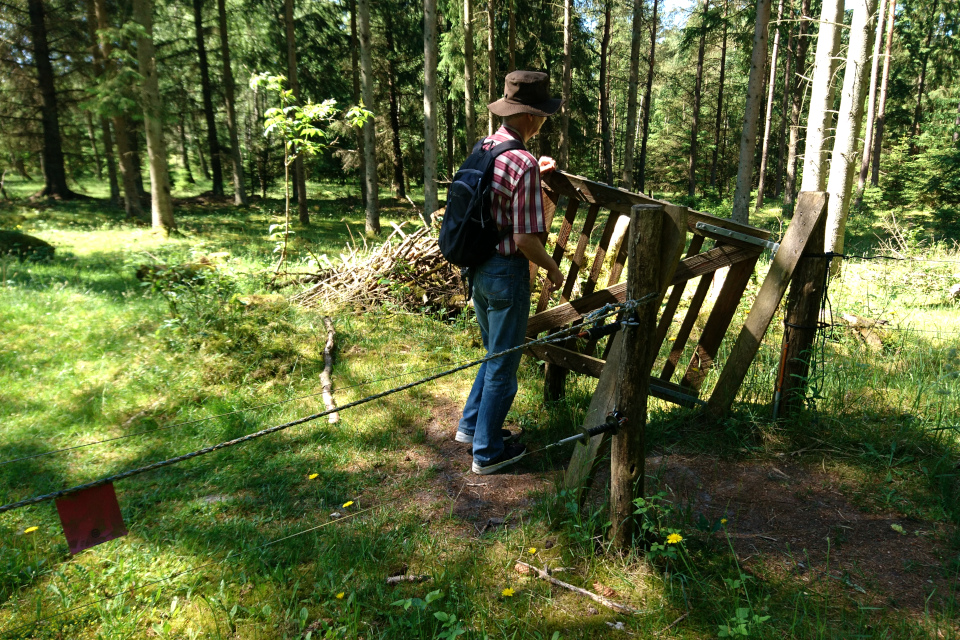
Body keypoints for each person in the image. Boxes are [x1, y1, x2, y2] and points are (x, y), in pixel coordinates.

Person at [456, 70, 565, 475]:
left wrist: (537, 170)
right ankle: (487, 453)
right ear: (533, 117)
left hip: (478, 269)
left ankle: (471, 428)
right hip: (506, 273)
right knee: (504, 364)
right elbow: (524, 240)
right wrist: (553, 269)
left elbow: (496, 198)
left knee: (493, 355)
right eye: (543, 115)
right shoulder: (521, 162)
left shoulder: (487, 147)